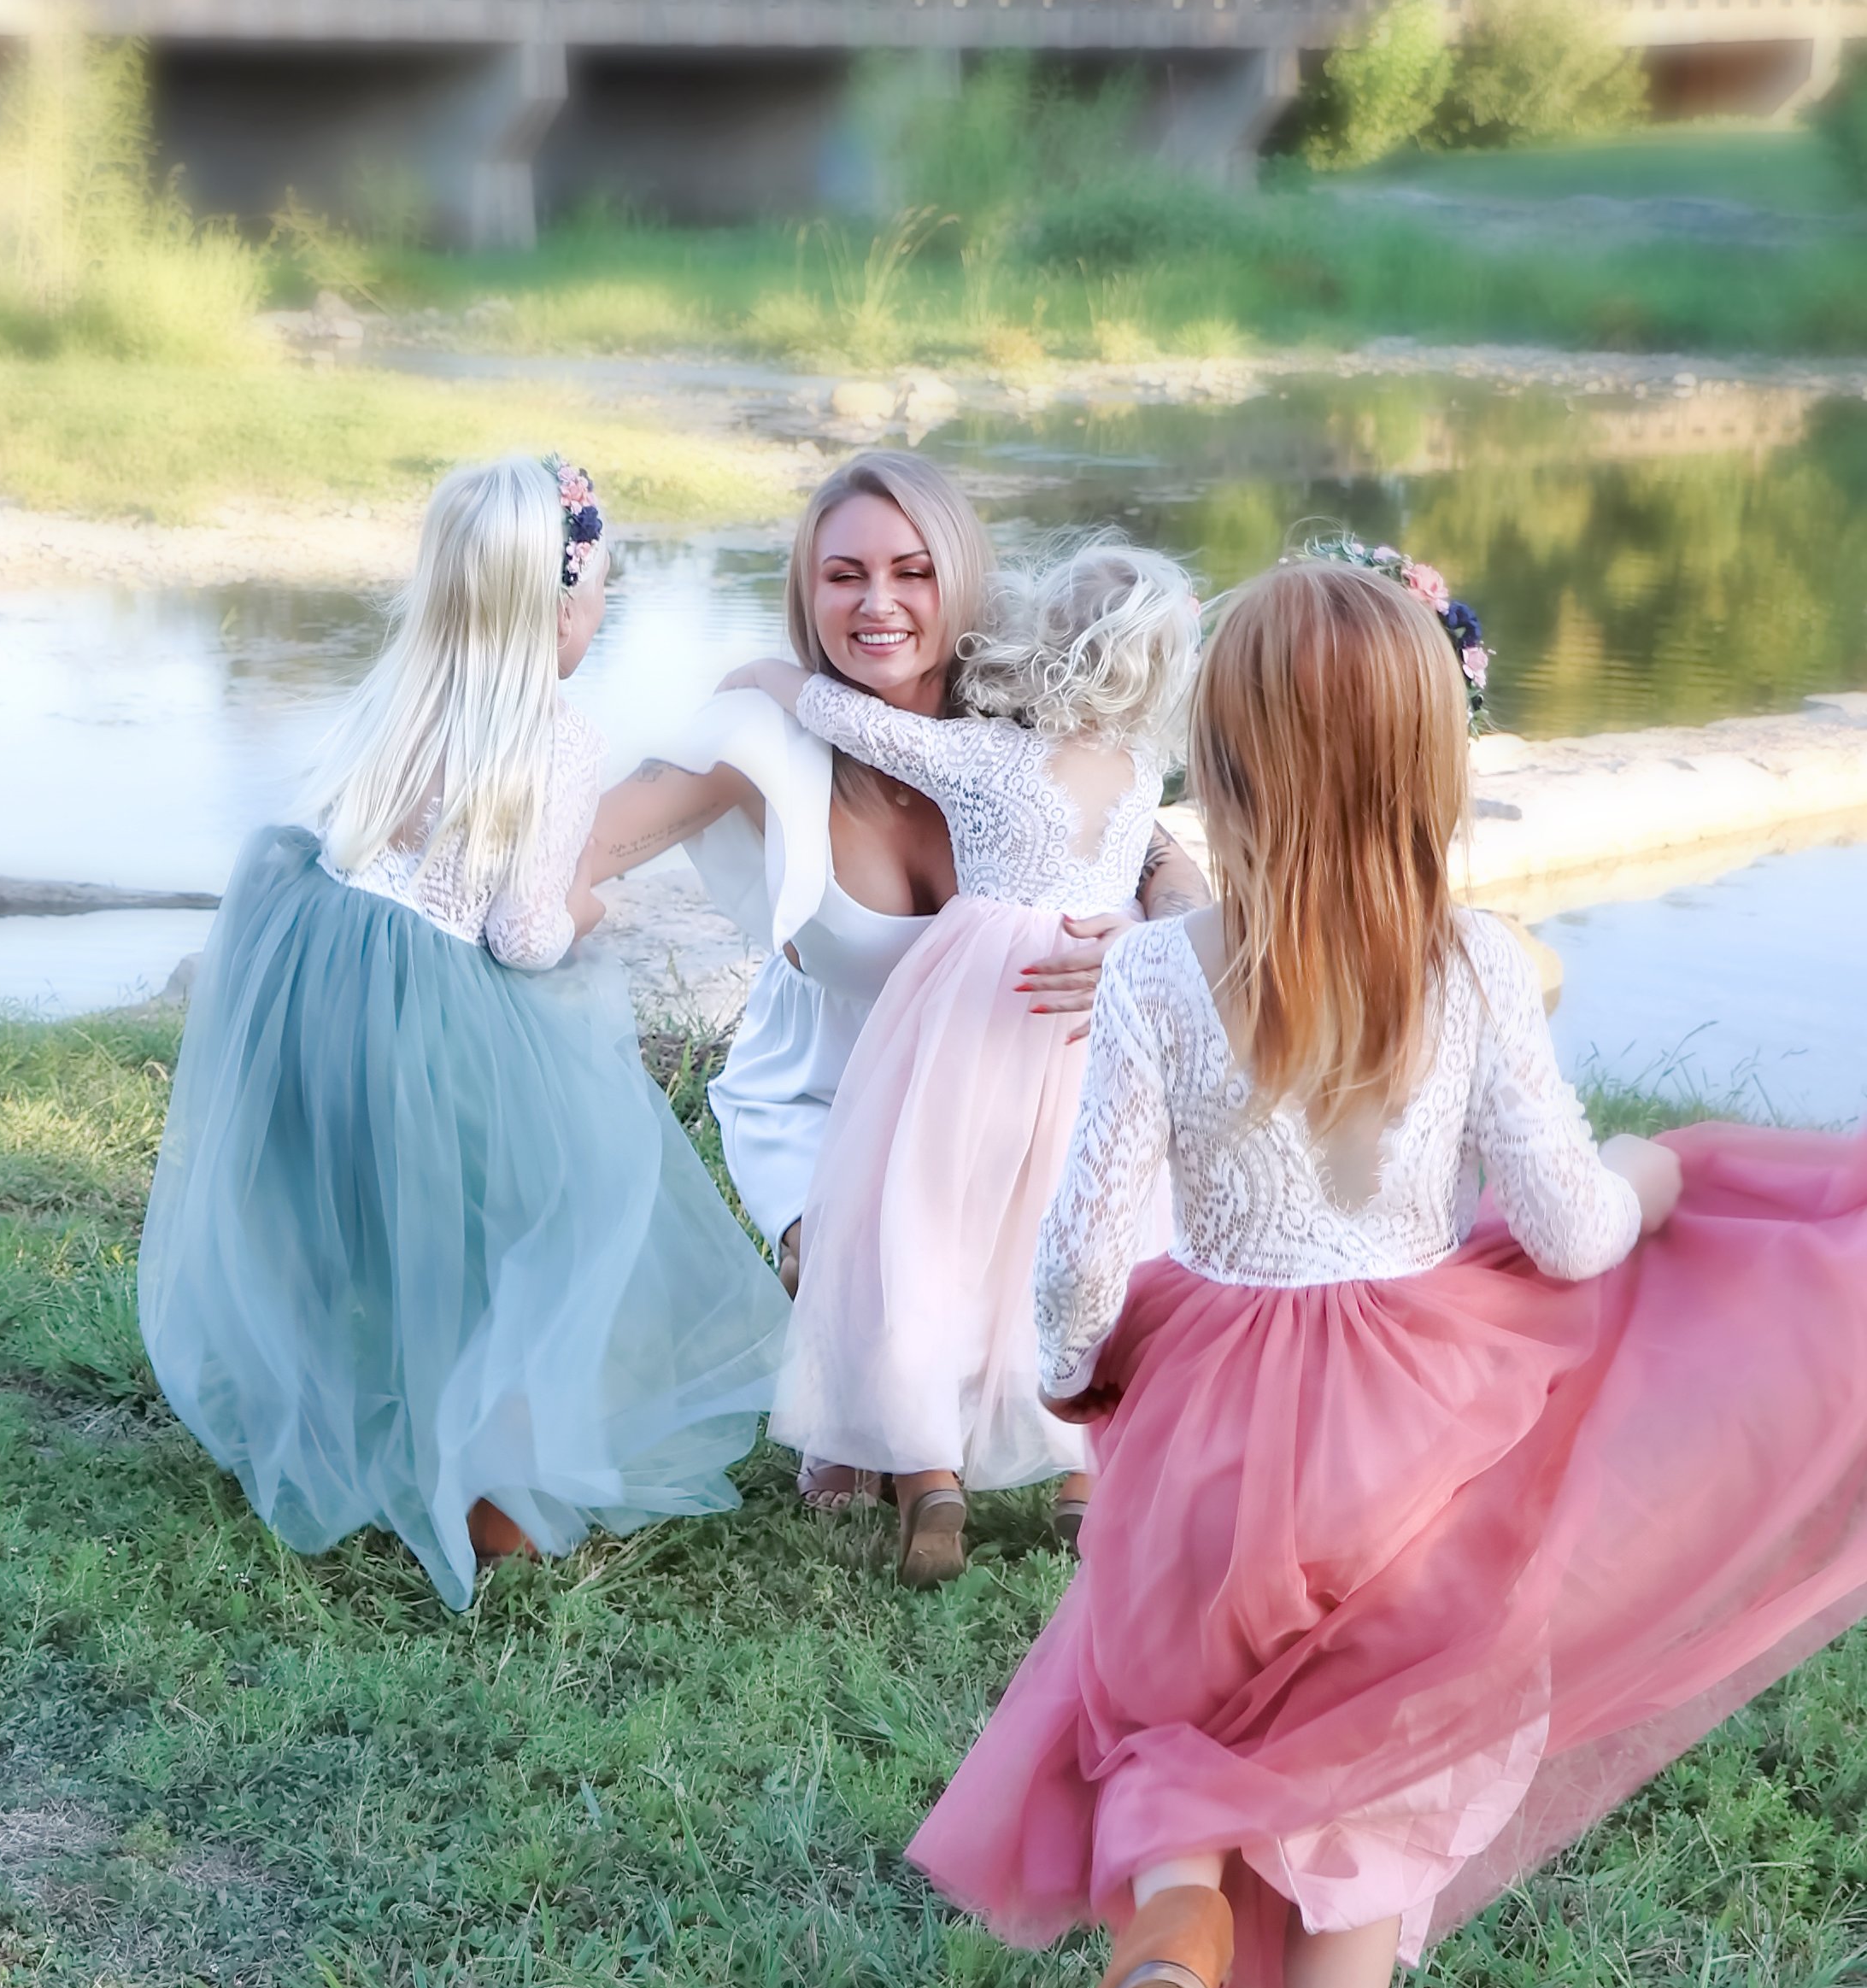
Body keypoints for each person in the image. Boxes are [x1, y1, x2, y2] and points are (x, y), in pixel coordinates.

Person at [906, 554, 1867, 1988]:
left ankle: (1178, 1927)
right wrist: (1659, 1176)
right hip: (1418, 1435)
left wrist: (1078, 1372)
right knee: (1363, 1806)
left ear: (1224, 758)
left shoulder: (1150, 979)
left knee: (1169, 1705)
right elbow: (1570, 1227)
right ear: (1426, 761)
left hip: (1207, 1413)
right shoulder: (1475, 972)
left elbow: (1070, 1261)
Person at [139, 454, 787, 1612]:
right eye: (597, 604)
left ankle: (358, 1425)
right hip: (426, 1004)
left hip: (316, 978)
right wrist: (598, 904)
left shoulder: (402, 688)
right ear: (560, 613)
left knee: (377, 1221)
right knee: (549, 1214)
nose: (598, 625)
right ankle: (494, 1501)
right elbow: (528, 931)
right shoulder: (559, 736)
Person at [575, 452, 1207, 1529]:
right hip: (827, 1099)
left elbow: (1161, 859)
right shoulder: (762, 730)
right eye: (843, 576)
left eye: (912, 572)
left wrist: (1148, 937)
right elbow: (573, 853)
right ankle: (852, 1365)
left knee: (1091, 1251)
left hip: (1011, 1109)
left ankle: (1009, 1425)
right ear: (804, 590)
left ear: (958, 582)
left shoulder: (1027, 714)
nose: (877, 606)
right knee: (864, 1318)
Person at [731, 542, 1202, 1584]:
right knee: (1077, 1234)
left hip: (968, 1018)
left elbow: (859, 724)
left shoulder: (986, 756)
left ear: (1041, 642)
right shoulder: (1139, 776)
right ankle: (1085, 1481)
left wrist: (773, 679)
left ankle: (928, 1475)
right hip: (1083, 1026)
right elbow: (1158, 878)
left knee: (924, 1228)